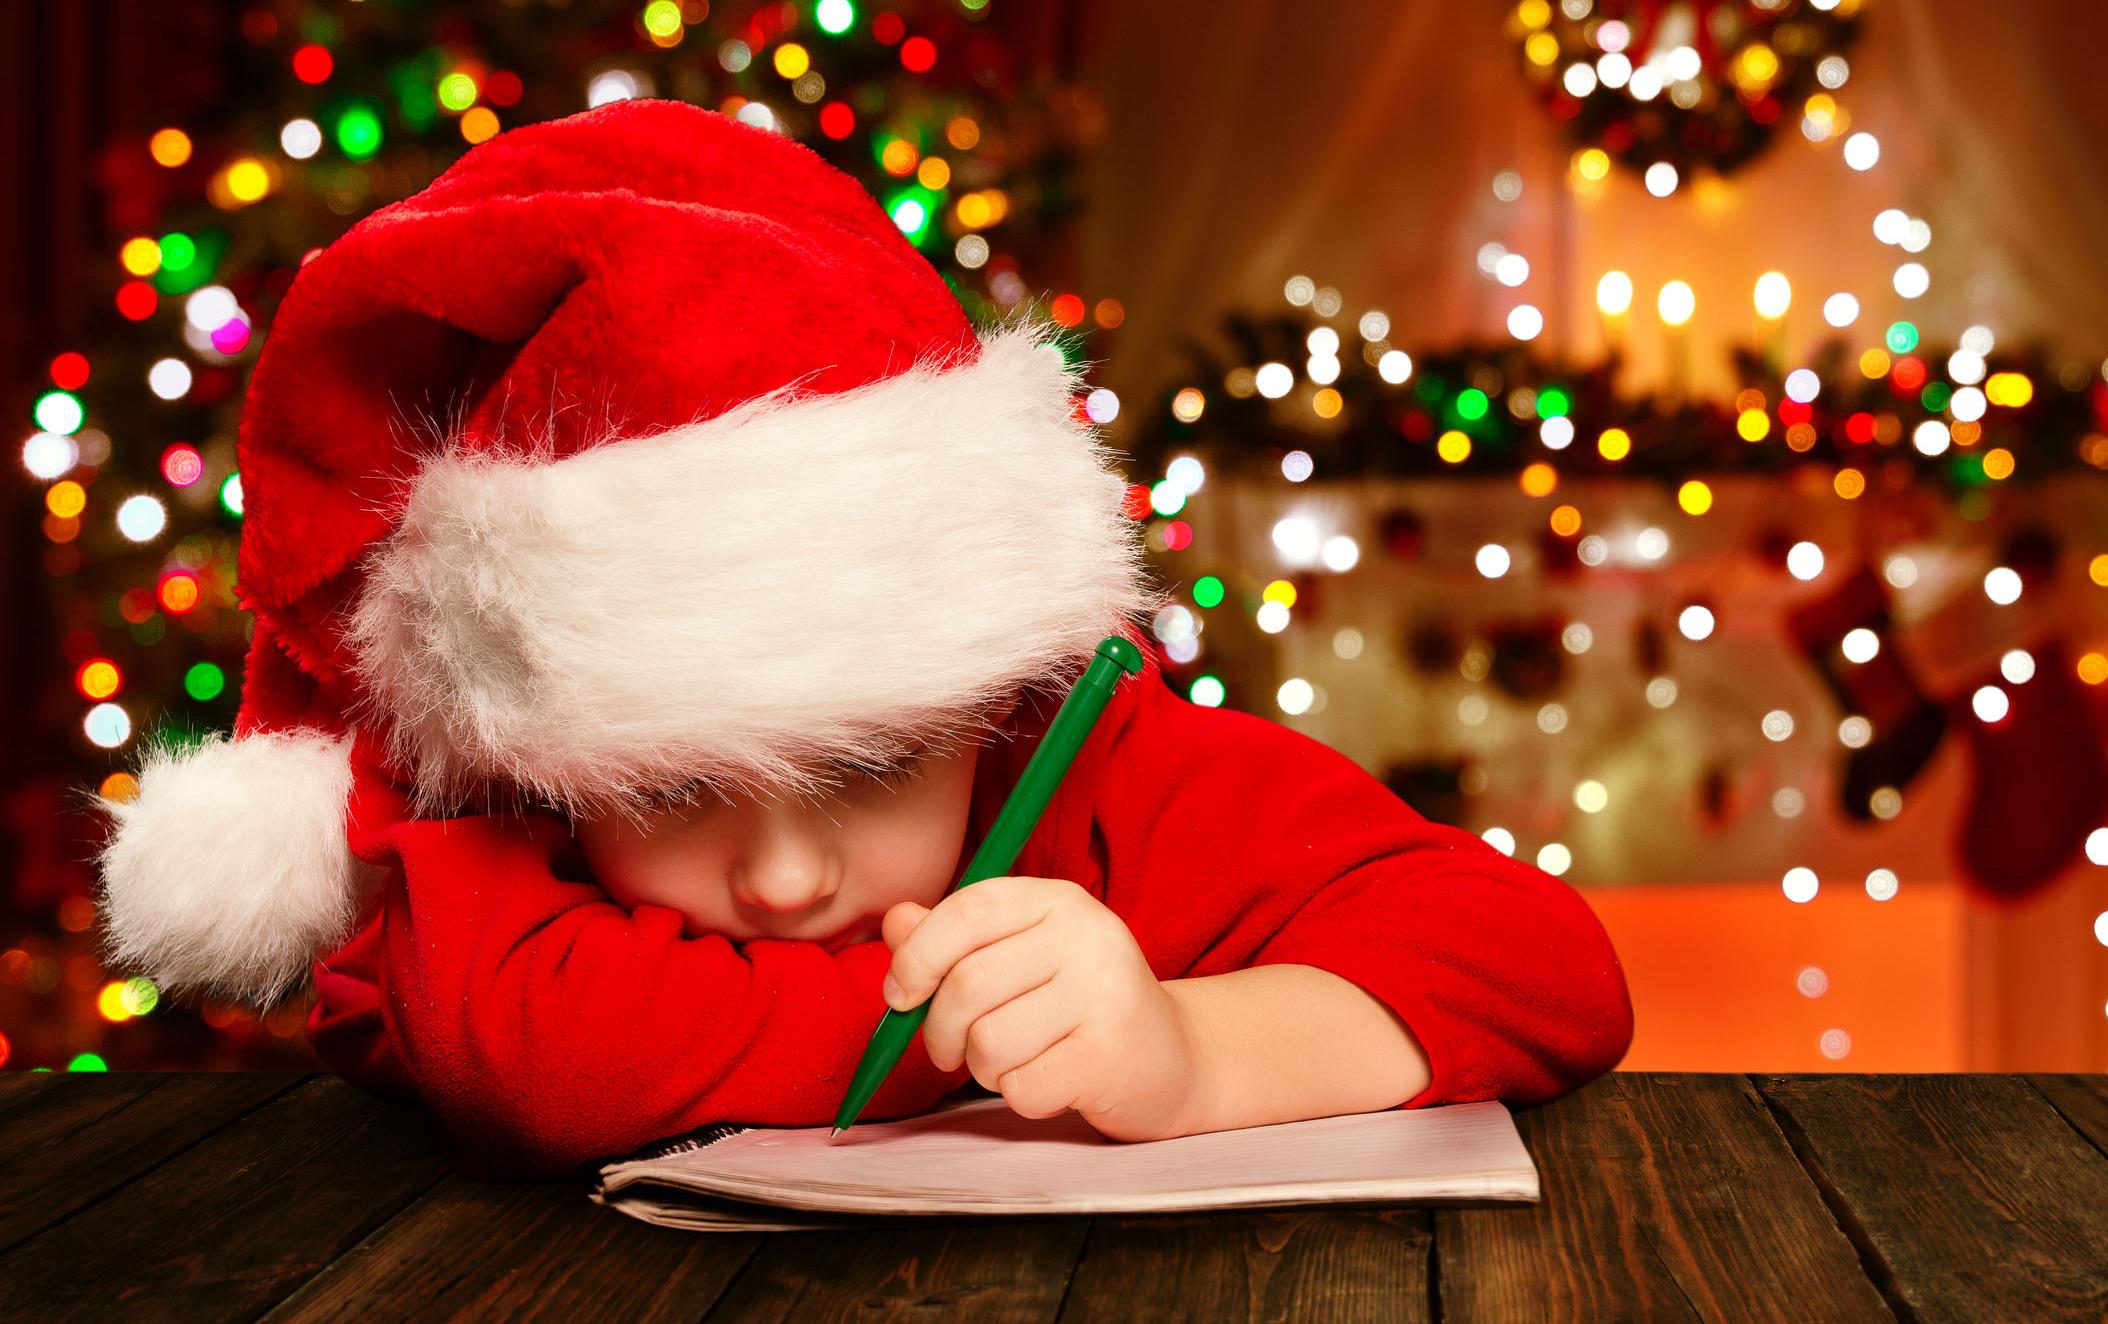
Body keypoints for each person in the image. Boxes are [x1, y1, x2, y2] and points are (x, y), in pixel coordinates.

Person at [91, 98, 1632, 1181]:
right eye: (676, 789)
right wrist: (966, 1040)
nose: (784, 878)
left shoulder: (1093, 749)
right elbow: (552, 1063)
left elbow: (1548, 970)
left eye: (872, 761)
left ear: (986, 690)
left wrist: (1190, 1051)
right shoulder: (485, 806)